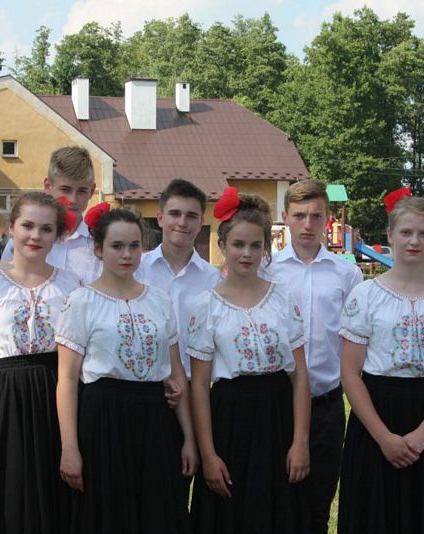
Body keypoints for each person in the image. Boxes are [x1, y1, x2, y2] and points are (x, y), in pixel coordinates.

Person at [55, 206, 197, 534]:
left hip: (155, 420)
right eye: (117, 246)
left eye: (134, 246)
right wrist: (70, 447)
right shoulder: (81, 302)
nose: (127, 255)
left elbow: (176, 374)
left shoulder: (159, 301)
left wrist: (188, 437)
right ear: (99, 249)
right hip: (103, 421)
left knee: (158, 513)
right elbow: (67, 381)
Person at [338, 195, 424, 534]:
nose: (414, 241)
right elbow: (350, 374)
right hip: (376, 419)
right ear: (390, 235)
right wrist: (384, 437)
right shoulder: (365, 296)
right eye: (406, 232)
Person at [188, 187, 311, 534]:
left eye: (256, 245)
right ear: (223, 246)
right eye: (238, 244)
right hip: (229, 418)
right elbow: (200, 385)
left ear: (266, 248)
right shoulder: (206, 305)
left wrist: (300, 441)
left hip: (277, 415)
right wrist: (208, 454)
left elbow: (300, 375)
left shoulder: (283, 298)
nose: (246, 253)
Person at [0, 192, 81, 533]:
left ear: (57, 235)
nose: (35, 236)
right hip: (0, 400)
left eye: (46, 229)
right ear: (11, 227)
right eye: (27, 226)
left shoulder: (71, 285)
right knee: (4, 498)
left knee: (53, 499)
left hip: (54, 398)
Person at [263, 179, 362, 534]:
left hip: (326, 403)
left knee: (318, 504)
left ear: (327, 219)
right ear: (285, 217)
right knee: (276, 505)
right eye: (299, 216)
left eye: (316, 216)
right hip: (277, 401)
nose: (307, 225)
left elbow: (354, 338)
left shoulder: (347, 274)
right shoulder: (267, 271)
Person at [135, 179, 221, 381]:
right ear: (160, 218)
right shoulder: (137, 271)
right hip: (145, 384)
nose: (182, 222)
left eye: (191, 216)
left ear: (201, 224)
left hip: (194, 384)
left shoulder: (214, 281)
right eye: (175, 214)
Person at [1, 146, 101, 285]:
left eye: (82, 191)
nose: (73, 199)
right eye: (65, 190)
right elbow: (4, 283)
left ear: (92, 191)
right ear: (48, 186)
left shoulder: (98, 244)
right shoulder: (23, 241)